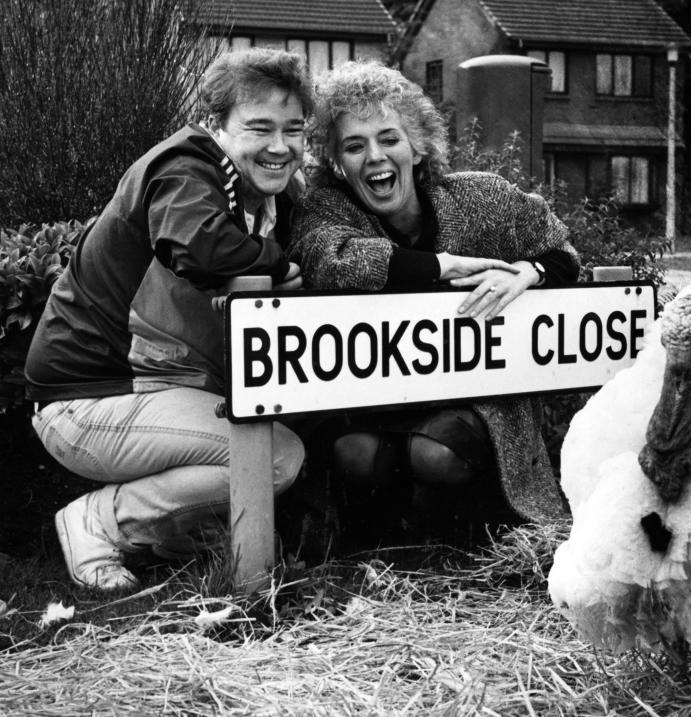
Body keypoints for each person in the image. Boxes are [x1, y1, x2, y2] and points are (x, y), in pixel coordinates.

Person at [24, 48, 311, 591]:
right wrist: (279, 265)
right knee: (275, 455)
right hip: (89, 400)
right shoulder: (186, 165)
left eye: (293, 129)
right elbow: (200, 248)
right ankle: (99, 519)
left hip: (153, 393)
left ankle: (172, 541)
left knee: (272, 438)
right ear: (214, 125)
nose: (279, 146)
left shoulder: (270, 197)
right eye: (259, 127)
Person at [288, 60, 579, 544]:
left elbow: (563, 251)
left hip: (474, 404)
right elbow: (331, 260)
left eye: (389, 139)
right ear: (337, 161)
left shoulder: (480, 198)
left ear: (417, 146)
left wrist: (532, 272)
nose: (376, 157)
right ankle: (382, 544)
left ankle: (469, 531)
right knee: (358, 454)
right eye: (355, 146)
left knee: (437, 452)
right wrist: (441, 267)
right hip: (373, 404)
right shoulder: (326, 208)